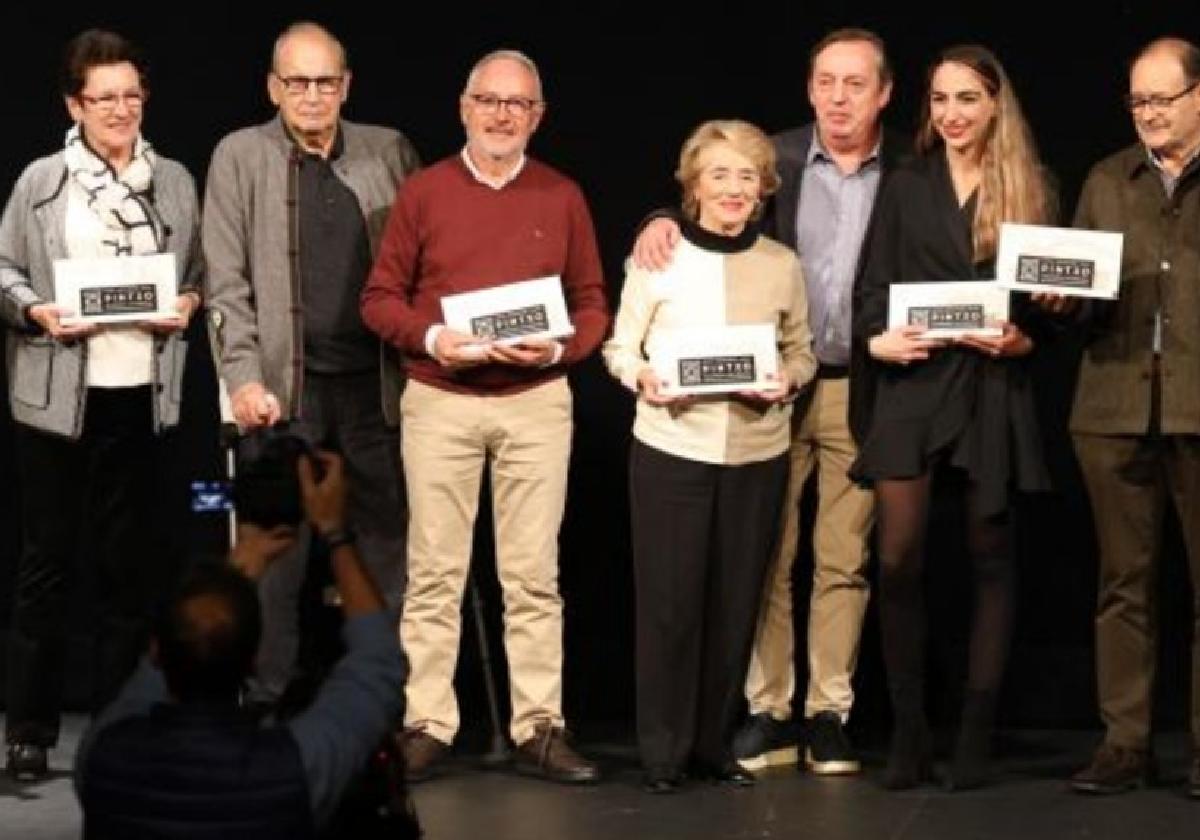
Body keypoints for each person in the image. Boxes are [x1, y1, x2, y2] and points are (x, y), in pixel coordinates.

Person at [632, 27, 906, 775]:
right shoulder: (775, 156)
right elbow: (705, 197)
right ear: (810, 88)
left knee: (842, 559)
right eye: (826, 81)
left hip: (866, 388)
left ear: (883, 92)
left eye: (856, 83)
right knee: (768, 559)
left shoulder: (912, 169)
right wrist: (655, 219)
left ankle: (828, 713)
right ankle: (768, 708)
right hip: (768, 405)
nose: (839, 97)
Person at [361, 49, 609, 783]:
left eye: (518, 104)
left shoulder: (562, 195)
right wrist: (438, 339)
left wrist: (560, 347)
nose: (502, 114)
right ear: (465, 107)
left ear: (538, 116)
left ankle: (538, 725)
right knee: (435, 574)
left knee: (533, 575)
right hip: (441, 398)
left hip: (535, 399)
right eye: (489, 101)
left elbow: (593, 300)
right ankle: (428, 723)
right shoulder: (424, 192)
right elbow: (380, 299)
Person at [851, 43, 1055, 790]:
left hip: (991, 390)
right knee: (898, 557)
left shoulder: (1033, 187)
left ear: (996, 103)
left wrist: (1023, 334)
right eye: (940, 99)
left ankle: (973, 732)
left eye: (966, 98)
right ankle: (909, 729)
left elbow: (1052, 315)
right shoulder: (907, 184)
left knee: (989, 558)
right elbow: (871, 291)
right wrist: (881, 337)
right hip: (913, 385)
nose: (952, 114)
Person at [0, 29, 202, 781]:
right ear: (74, 105)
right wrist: (36, 312)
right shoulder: (42, 180)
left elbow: (203, 272)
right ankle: (28, 730)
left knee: (132, 575)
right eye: (102, 97)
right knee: (45, 569)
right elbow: (4, 268)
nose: (119, 109)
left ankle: (121, 727)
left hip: (144, 399)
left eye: (130, 95)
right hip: (56, 401)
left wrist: (185, 299)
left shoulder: (175, 179)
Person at [203, 21, 418, 711]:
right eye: (298, 82)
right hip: (281, 392)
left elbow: (425, 265)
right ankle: (264, 696)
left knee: (387, 548)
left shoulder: (388, 151)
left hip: (375, 390)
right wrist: (242, 378)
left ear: (346, 86)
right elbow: (225, 282)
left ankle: (386, 700)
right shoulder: (239, 155)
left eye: (326, 81)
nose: (313, 95)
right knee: (276, 552)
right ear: (274, 87)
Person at [604, 119, 816, 792]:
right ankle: (663, 753)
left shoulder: (781, 264)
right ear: (693, 186)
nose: (733, 189)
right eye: (719, 175)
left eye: (747, 177)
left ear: (763, 191)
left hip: (758, 454)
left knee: (734, 607)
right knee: (671, 608)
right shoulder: (656, 259)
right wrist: (641, 378)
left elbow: (802, 350)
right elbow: (619, 347)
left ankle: (713, 746)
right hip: (672, 450)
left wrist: (790, 379)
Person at [76, 449, 413, 838]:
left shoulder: (103, 756)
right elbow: (378, 661)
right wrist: (334, 531)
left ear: (156, 651)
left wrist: (238, 566)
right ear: (253, 661)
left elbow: (149, 678)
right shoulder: (294, 767)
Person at [1068, 37, 1200, 800]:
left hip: (1195, 403)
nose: (1148, 114)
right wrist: (1058, 300)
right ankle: (1125, 744)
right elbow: (1077, 291)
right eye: (1138, 101)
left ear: (1197, 98)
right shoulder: (1106, 180)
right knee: (1124, 585)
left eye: (1162, 99)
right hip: (1114, 405)